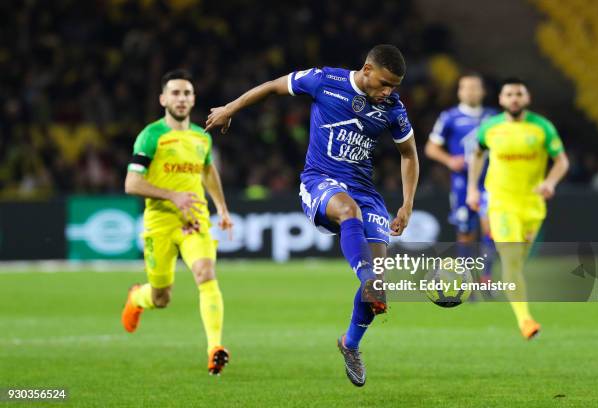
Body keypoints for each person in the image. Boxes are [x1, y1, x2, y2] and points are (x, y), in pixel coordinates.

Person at [205, 44, 419, 387]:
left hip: (366, 192)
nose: (388, 92)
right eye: (383, 83)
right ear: (366, 69)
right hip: (321, 181)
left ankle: (350, 344)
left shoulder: (393, 108)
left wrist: (407, 204)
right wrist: (230, 108)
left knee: (380, 280)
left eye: (394, 86)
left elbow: (408, 154)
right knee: (364, 258)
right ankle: (368, 278)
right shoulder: (324, 80)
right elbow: (274, 85)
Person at [121, 69, 233, 375]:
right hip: (160, 221)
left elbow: (208, 171)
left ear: (193, 99)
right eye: (175, 93)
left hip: (194, 220)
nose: (181, 99)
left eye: (186, 93)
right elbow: (131, 183)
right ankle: (137, 297)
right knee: (161, 297)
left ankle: (215, 348)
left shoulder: (201, 137)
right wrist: (173, 196)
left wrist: (222, 208)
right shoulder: (151, 135)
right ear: (163, 99)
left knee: (206, 273)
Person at [467, 77, 569, 340]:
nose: (514, 98)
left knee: (518, 264)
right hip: (501, 203)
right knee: (511, 260)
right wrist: (472, 189)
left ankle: (514, 297)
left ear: (527, 98)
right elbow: (477, 154)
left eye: (519, 94)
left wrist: (550, 182)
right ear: (501, 100)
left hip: (532, 205)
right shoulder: (490, 128)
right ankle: (526, 321)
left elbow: (561, 161)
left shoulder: (542, 128)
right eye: (509, 94)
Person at [425, 73, 497, 285]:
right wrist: (449, 160)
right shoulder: (450, 117)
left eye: (475, 87)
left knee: (490, 228)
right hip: (462, 185)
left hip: (490, 182)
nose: (471, 91)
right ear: (459, 92)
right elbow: (431, 147)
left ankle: (486, 277)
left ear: (483, 91)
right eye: (467, 87)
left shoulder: (494, 118)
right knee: (465, 232)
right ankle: (467, 279)